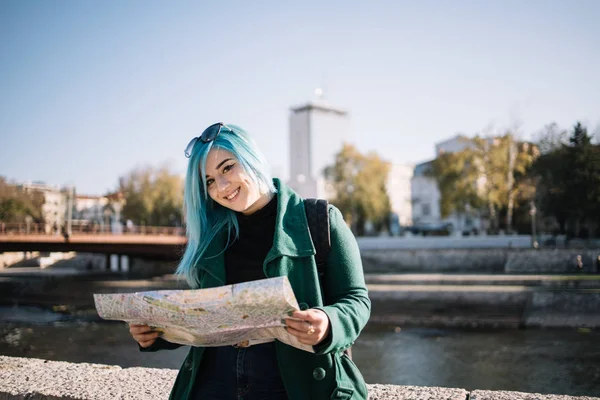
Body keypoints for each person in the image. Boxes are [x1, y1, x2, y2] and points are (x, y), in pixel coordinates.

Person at [128, 122, 370, 399]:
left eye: (227, 168)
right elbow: (206, 319)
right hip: (213, 384)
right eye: (208, 181)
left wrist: (328, 322)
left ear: (251, 158)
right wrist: (157, 332)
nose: (221, 186)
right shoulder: (212, 238)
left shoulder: (320, 219)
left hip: (292, 383)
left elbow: (356, 300)